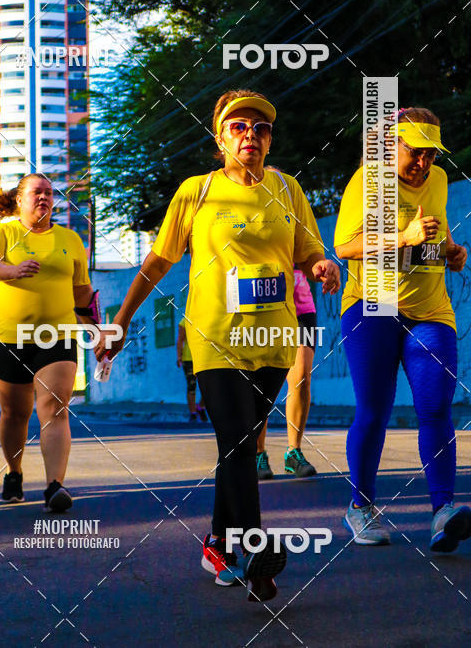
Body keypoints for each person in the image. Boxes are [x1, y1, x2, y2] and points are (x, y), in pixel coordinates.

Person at [96, 89, 340, 601]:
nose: (251, 135)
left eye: (262, 128)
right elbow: (158, 262)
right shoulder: (197, 192)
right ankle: (256, 549)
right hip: (216, 338)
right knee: (235, 440)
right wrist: (119, 322)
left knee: (242, 442)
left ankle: (220, 543)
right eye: (238, 126)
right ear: (219, 136)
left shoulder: (288, 189)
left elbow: (309, 247)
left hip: (275, 337)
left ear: (271, 139)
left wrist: (321, 264)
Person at [335, 107, 471, 552]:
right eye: (415, 153)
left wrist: (451, 251)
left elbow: (435, 232)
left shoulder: (439, 181)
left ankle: (443, 512)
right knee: (374, 410)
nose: (424, 164)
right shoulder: (367, 181)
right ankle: (360, 506)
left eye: (432, 155)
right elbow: (345, 245)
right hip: (372, 307)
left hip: (430, 309)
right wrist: (404, 237)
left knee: (436, 408)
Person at [0, 173, 95, 512]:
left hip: (57, 335)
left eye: (48, 192)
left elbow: (83, 291)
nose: (43, 197)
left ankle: (54, 485)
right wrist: (12, 272)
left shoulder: (70, 238)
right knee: (16, 413)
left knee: (55, 408)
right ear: (19, 199)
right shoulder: (4, 232)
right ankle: (14, 472)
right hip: (10, 336)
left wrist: (96, 329)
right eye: (36, 192)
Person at [255, 265, 318, 480]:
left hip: (299, 302)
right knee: (261, 381)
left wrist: (322, 265)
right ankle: (258, 454)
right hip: (259, 298)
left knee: (301, 376)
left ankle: (294, 452)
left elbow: (311, 251)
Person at [176, 317, 206, 422]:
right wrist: (179, 357)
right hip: (189, 359)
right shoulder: (184, 322)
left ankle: (200, 407)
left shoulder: (205, 317)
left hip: (204, 357)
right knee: (191, 385)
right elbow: (180, 339)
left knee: (208, 386)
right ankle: (193, 413)